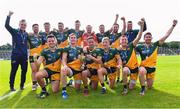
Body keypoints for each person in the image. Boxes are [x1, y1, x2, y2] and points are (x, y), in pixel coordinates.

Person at [136, 20, 178, 96]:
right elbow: (132, 49)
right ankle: (142, 89)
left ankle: (145, 81)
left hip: (152, 68)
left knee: (149, 86)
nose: (148, 38)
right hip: (143, 67)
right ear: (144, 38)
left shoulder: (155, 45)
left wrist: (173, 25)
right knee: (141, 71)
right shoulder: (140, 46)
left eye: (149, 37)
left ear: (151, 38)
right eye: (146, 37)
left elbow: (166, 35)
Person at [117, 20, 144, 95]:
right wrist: (119, 65)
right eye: (122, 40)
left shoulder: (131, 45)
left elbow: (139, 37)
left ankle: (131, 82)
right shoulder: (118, 50)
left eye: (125, 39)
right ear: (120, 41)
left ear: (127, 40)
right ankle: (125, 88)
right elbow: (118, 59)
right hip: (127, 69)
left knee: (131, 87)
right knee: (125, 70)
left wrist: (141, 26)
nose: (124, 41)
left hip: (134, 69)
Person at [5, 11, 28, 91]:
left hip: (24, 56)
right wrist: (9, 16)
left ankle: (22, 85)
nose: (23, 26)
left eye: (24, 25)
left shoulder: (26, 34)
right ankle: (11, 86)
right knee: (13, 71)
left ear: (26, 26)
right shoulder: (15, 31)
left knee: (24, 71)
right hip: (15, 55)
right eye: (22, 24)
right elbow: (7, 26)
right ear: (19, 25)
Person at [61, 33, 83, 99]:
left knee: (77, 88)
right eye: (71, 38)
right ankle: (64, 90)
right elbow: (64, 58)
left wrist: (82, 62)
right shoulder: (66, 48)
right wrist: (64, 65)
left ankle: (71, 83)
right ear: (69, 39)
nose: (73, 39)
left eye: (74, 38)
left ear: (76, 39)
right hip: (70, 69)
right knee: (63, 70)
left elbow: (83, 59)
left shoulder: (80, 48)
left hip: (78, 70)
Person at [28, 24, 43, 90]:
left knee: (37, 70)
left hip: (39, 56)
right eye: (34, 28)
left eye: (37, 27)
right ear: (32, 28)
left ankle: (36, 82)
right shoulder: (29, 36)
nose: (36, 29)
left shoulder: (40, 36)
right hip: (32, 55)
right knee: (33, 70)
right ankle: (34, 84)